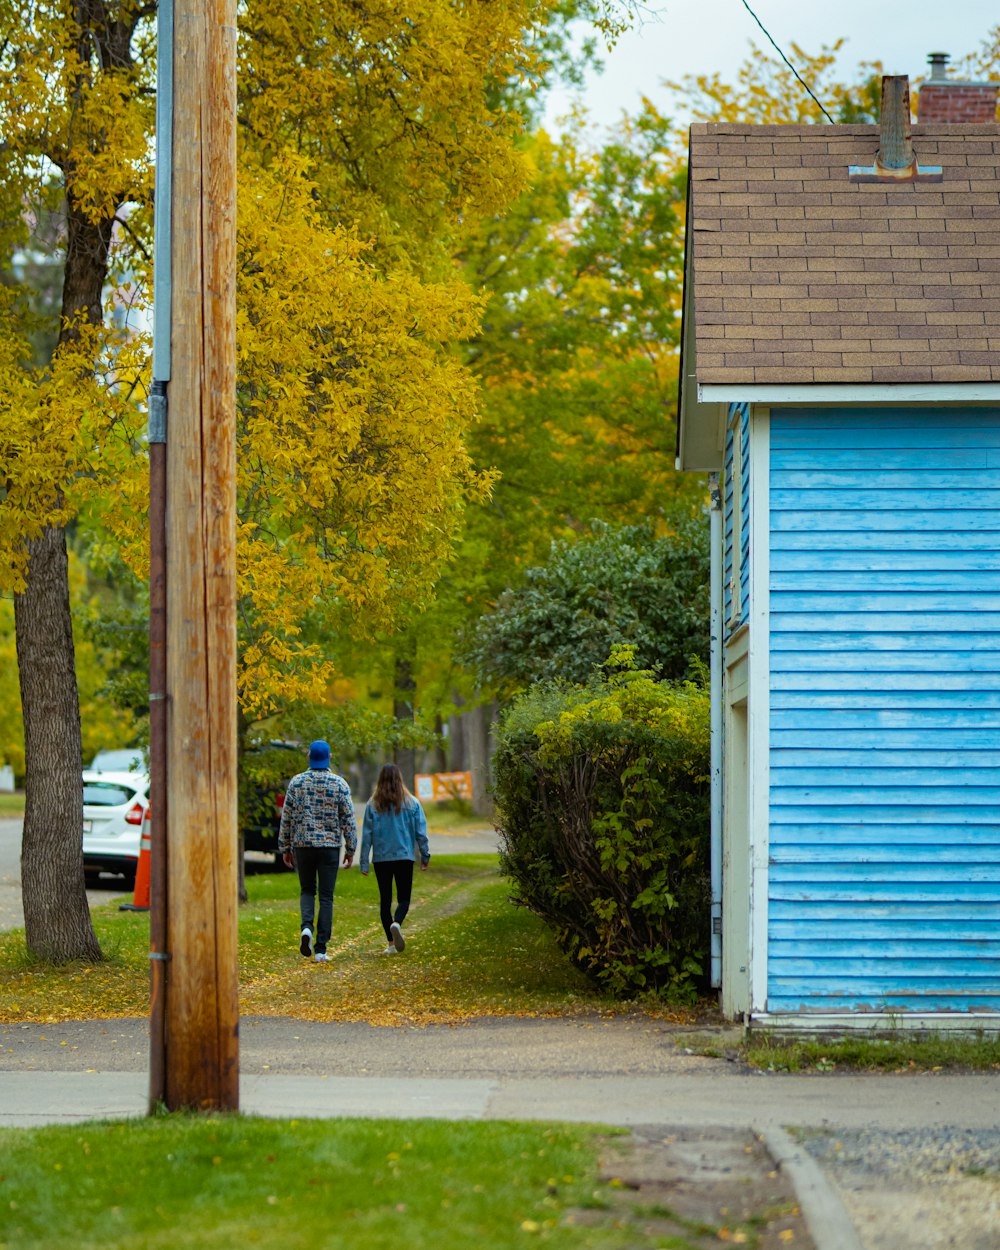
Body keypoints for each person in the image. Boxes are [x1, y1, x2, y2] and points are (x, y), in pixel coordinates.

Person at [279, 740, 357, 963]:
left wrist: (285, 847)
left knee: (306, 890)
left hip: (303, 846)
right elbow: (348, 819)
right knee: (326, 896)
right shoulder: (339, 784)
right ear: (329, 757)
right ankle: (321, 948)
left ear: (309, 756)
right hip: (330, 847)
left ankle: (306, 929)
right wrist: (351, 848)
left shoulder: (297, 783)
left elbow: (287, 817)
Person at [360, 763, 430, 954]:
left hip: (382, 859)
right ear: (400, 779)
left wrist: (364, 862)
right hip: (404, 858)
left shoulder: (372, 805)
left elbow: (367, 836)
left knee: (385, 901)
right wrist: (425, 855)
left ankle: (391, 944)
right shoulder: (412, 803)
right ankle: (397, 923)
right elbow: (421, 833)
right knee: (404, 899)